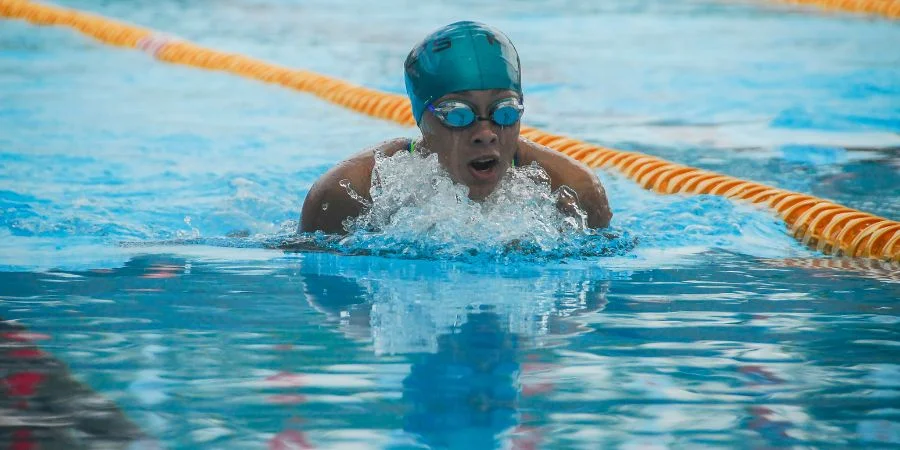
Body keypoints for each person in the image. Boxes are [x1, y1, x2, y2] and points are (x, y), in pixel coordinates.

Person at [300, 21, 612, 234]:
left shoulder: (573, 190)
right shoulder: (350, 193)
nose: (486, 132)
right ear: (423, 120)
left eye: (504, 112)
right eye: (458, 114)